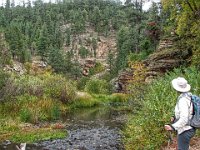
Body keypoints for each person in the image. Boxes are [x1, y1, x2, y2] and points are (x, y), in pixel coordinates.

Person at [164, 77, 196, 150]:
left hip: (185, 130)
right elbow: (189, 111)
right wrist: (175, 117)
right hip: (190, 127)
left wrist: (172, 127)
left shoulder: (183, 100)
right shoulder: (188, 96)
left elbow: (184, 118)